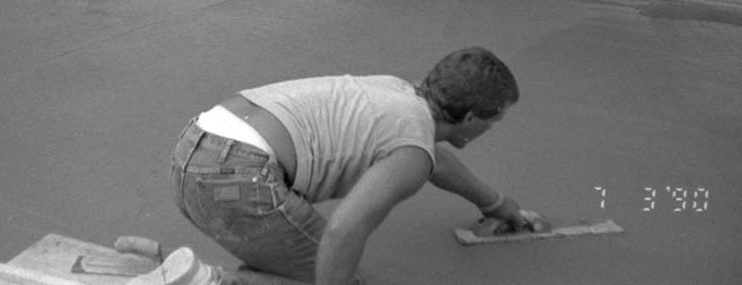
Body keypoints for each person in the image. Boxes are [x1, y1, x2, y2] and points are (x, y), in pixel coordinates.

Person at [170, 47, 531, 285]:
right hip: (237, 181)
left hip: (194, 153)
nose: (490, 129)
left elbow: (436, 160)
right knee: (337, 277)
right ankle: (208, 281)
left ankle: (156, 263)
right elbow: (344, 230)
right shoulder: (412, 153)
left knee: (313, 268)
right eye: (493, 121)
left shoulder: (399, 93)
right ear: (470, 118)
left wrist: (495, 204)